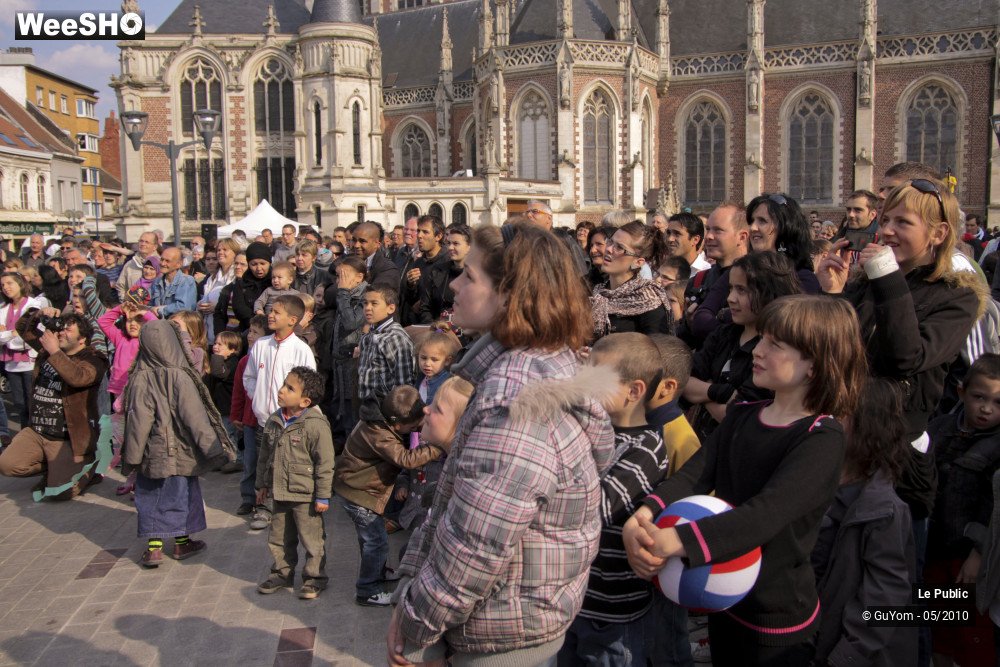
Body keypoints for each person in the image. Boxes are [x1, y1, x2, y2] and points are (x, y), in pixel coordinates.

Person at [387, 222, 615, 666]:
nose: (453, 283)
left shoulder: (517, 401)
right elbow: (455, 508)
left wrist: (415, 624)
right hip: (511, 615)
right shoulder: (531, 366)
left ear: (511, 295)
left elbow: (476, 545)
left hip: (500, 631)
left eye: (469, 276)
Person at [623, 295, 867, 666]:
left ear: (815, 365)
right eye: (762, 338)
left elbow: (765, 514)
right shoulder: (744, 413)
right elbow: (695, 474)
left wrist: (676, 540)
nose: (758, 350)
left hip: (775, 621)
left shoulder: (822, 436)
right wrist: (645, 513)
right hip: (723, 599)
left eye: (775, 344)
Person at [817, 178, 982, 570]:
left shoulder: (956, 296)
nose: (886, 230)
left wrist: (885, 275)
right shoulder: (870, 281)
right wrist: (833, 294)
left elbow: (909, 356)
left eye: (902, 222)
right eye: (886, 219)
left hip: (898, 459)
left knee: (896, 596)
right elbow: (838, 353)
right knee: (839, 573)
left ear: (939, 233)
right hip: (848, 443)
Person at [558, 333, 668, 667]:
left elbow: (597, 507)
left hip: (613, 612)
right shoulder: (586, 428)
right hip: (573, 599)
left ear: (634, 391)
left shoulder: (647, 448)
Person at [811, 377, 916, 667]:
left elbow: (885, 598)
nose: (824, 421)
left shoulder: (883, 510)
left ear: (867, 427)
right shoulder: (817, 482)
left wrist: (846, 655)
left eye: (838, 414)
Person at [122, 320, 236, 567]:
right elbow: (195, 416)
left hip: (152, 453)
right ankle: (182, 543)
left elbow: (137, 422)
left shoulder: (140, 378)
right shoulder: (182, 375)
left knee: (150, 498)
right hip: (183, 452)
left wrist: (132, 456)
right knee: (183, 496)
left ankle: (153, 549)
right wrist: (215, 449)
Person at [335, 385, 444, 607]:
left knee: (370, 540)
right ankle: (367, 590)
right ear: (397, 425)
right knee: (376, 541)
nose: (417, 430)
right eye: (414, 428)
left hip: (359, 489)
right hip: (359, 493)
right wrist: (437, 447)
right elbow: (407, 459)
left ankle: (379, 572)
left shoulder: (379, 418)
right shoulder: (380, 435)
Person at [924, 354, 1000, 665]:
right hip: (933, 545)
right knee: (936, 623)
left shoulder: (997, 445)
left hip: (966, 556)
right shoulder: (939, 427)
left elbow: (993, 506)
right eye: (980, 397)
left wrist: (978, 552)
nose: (986, 409)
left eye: (998, 403)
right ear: (961, 393)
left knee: (971, 629)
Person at [684, 251, 802, 439]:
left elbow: (737, 414)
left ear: (769, 293)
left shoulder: (778, 351)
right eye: (731, 288)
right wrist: (721, 392)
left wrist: (705, 391)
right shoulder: (724, 333)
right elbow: (685, 382)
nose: (730, 298)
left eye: (742, 290)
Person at [0, 310, 108, 500]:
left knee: (60, 493)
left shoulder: (94, 358)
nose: (61, 333)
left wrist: (55, 352)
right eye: (61, 328)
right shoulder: (48, 351)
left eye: (68, 330)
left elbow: (78, 378)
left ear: (82, 338)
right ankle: (54, 468)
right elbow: (23, 329)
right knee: (7, 465)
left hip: (67, 439)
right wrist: (39, 313)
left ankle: (87, 468)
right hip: (38, 431)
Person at [643, 333, 701, 666]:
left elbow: (694, 505)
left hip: (666, 566)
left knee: (667, 642)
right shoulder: (637, 423)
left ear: (666, 387)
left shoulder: (680, 436)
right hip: (642, 564)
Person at [255, 367, 334, 600]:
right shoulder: (275, 419)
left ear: (305, 401)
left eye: (290, 388)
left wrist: (322, 496)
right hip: (279, 493)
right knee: (279, 538)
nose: (282, 390)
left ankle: (314, 578)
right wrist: (262, 485)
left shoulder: (315, 425)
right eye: (283, 385)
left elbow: (325, 463)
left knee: (312, 539)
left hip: (305, 496)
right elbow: (264, 455)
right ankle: (282, 572)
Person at [243, 295, 317, 530]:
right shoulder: (261, 345)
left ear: (293, 320)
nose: (271, 315)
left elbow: (309, 384)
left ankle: (291, 506)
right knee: (263, 463)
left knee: (287, 464)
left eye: (276, 312)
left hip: (289, 421)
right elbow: (250, 377)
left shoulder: (300, 349)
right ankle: (263, 507)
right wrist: (259, 399)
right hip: (264, 419)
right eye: (270, 311)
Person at [97, 299, 158, 490]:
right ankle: (130, 475)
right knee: (123, 438)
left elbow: (156, 325)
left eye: (138, 321)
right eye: (129, 320)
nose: (132, 323)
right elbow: (103, 322)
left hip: (139, 396)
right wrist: (120, 310)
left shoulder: (146, 342)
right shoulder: (120, 338)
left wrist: (142, 312)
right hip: (118, 395)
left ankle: (142, 479)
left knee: (139, 437)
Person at [678, 202, 749, 347]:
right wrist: (689, 325)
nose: (709, 237)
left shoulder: (756, 280)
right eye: (708, 229)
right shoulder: (698, 280)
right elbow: (683, 341)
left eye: (718, 230)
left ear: (742, 237)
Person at [590, 220, 672, 338]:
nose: (609, 249)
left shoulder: (649, 300)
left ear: (638, 262)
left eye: (619, 247)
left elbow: (657, 350)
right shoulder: (598, 293)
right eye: (610, 242)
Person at [321, 256, 368, 444]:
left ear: (359, 277)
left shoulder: (366, 296)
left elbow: (351, 322)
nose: (339, 279)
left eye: (344, 275)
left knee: (352, 412)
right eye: (338, 275)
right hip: (338, 361)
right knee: (340, 410)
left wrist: (342, 293)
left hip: (353, 362)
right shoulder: (344, 293)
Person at [358, 285, 416, 421]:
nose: (367, 308)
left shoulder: (395, 338)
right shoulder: (371, 334)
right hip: (368, 405)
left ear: (391, 308)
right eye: (365, 303)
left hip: (385, 409)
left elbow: (404, 382)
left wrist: (395, 413)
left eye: (374, 303)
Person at [0, 272, 46, 441]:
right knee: (19, 404)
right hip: (12, 363)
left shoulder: (33, 305)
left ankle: (37, 437)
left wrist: (10, 337)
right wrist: (14, 334)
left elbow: (31, 334)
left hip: (30, 361)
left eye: (9, 283)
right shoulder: (3, 309)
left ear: (20, 284)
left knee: (33, 403)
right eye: (3, 284)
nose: (6, 287)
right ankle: (25, 438)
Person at [745, 193, 821, 292]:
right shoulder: (744, 271)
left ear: (785, 229)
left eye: (762, 221)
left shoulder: (803, 280)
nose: (752, 228)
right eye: (751, 221)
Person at [232, 315, 267, 516]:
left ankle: (264, 499)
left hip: (267, 419)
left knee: (265, 462)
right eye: (250, 331)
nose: (250, 336)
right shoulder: (245, 361)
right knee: (250, 462)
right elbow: (238, 391)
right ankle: (248, 497)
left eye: (256, 332)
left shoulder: (270, 358)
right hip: (249, 420)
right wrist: (236, 414)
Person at [399, 215, 447, 326]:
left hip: (441, 328)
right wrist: (410, 284)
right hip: (418, 325)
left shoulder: (448, 262)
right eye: (419, 231)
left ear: (438, 236)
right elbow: (411, 300)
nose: (419, 236)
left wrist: (426, 302)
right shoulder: (418, 263)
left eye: (425, 232)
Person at [417, 224, 470, 324]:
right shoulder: (437, 271)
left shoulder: (479, 275)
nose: (450, 247)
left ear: (469, 247)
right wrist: (435, 327)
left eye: (456, 243)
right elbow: (425, 307)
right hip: (439, 333)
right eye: (448, 243)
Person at [208, 330, 243, 473]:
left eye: (220, 345)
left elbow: (219, 373)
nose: (215, 346)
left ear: (232, 349)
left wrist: (216, 358)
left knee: (230, 435)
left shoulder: (232, 362)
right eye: (215, 343)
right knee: (221, 434)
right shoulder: (224, 360)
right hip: (220, 405)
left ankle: (236, 459)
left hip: (228, 406)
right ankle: (225, 458)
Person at [220, 241, 272, 333]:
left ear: (269, 263)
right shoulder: (241, 284)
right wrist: (259, 326)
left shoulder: (276, 281)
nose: (259, 268)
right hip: (248, 330)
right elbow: (240, 309)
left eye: (262, 263)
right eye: (254, 264)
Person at [198, 237, 239, 342]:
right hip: (209, 332)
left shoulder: (237, 276)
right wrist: (200, 305)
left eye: (225, 250)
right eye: (219, 250)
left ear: (234, 253)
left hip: (228, 334)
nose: (220, 252)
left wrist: (217, 308)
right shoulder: (213, 277)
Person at [414, 324, 461, 404]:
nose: (427, 363)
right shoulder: (421, 377)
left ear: (447, 361)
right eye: (424, 358)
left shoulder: (447, 384)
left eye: (434, 360)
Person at [150, 247, 197, 318]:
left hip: (178, 326)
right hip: (159, 325)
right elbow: (150, 304)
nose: (163, 263)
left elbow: (184, 307)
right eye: (162, 259)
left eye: (167, 261)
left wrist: (161, 310)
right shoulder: (156, 281)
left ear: (179, 264)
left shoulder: (186, 281)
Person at [351, 222, 401, 289]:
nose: (356, 245)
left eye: (362, 241)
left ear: (377, 244)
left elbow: (377, 297)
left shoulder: (387, 269)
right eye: (354, 240)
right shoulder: (347, 263)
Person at [116, 232, 158, 298]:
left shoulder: (161, 264)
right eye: (141, 241)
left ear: (155, 247)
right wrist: (126, 300)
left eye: (147, 242)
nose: (143, 244)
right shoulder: (129, 264)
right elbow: (120, 286)